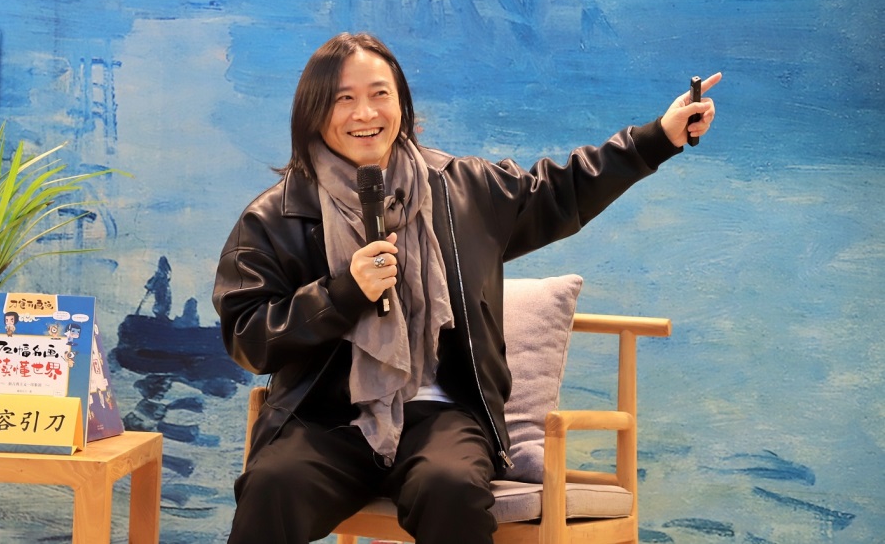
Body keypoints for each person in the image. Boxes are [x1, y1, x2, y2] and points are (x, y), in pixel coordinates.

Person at [212, 32, 718, 544]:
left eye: (379, 93)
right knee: (273, 486)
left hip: (442, 414)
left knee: (450, 486)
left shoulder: (463, 188)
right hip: (324, 416)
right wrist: (341, 294)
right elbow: (249, 337)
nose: (365, 112)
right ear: (314, 112)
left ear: (402, 104)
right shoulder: (275, 216)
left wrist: (657, 138)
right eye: (344, 98)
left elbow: (562, 191)